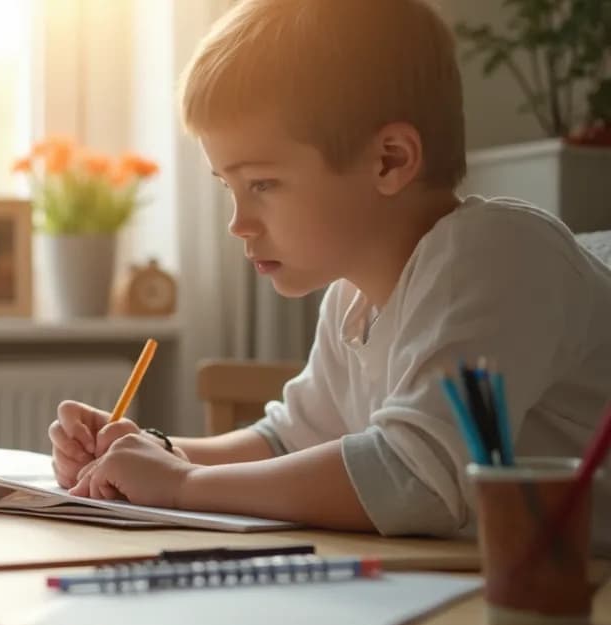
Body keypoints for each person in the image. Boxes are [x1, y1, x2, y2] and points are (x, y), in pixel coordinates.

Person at [50, 0, 611, 544]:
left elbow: (412, 479)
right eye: (229, 187)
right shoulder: (353, 296)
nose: (238, 224)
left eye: (262, 184)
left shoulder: (498, 253)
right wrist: (151, 453)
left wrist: (183, 485)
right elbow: (288, 444)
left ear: (389, 159)